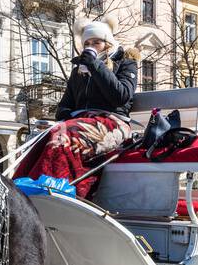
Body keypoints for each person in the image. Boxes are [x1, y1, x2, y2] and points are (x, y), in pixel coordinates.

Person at [14, 18, 141, 197]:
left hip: (113, 122)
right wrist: (67, 114)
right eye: (87, 43)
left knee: (64, 137)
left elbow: (121, 96)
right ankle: (20, 189)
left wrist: (95, 65)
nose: (91, 46)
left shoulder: (125, 63)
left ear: (108, 44)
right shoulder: (79, 71)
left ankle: (54, 191)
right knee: (44, 137)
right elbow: (64, 107)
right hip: (80, 122)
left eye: (97, 42)